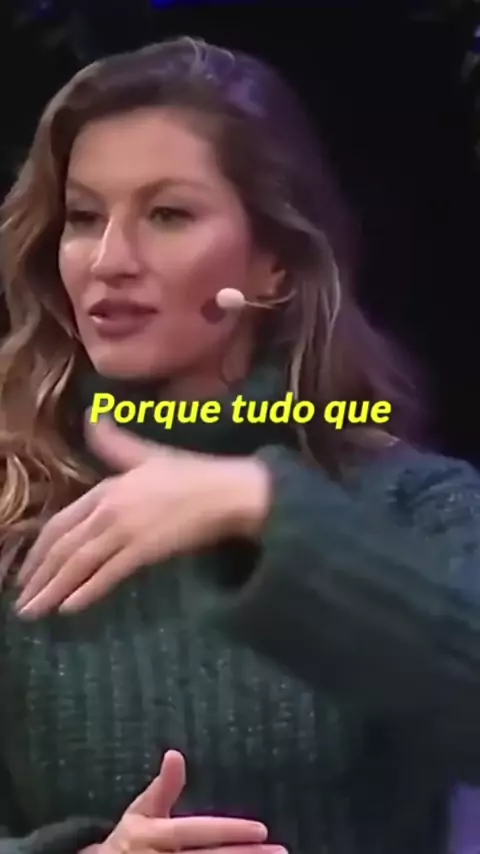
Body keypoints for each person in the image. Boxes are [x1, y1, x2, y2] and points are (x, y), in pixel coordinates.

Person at [1, 35, 480, 854]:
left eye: (168, 215)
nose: (109, 260)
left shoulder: (414, 505)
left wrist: (261, 509)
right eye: (83, 218)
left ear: (274, 267)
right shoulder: (14, 504)